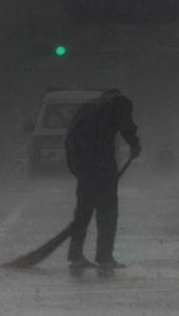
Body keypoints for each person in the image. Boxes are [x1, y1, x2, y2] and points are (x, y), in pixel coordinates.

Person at [65, 88, 141, 269]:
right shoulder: (119, 101)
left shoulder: (89, 106)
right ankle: (105, 257)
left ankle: (76, 256)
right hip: (102, 162)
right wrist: (134, 145)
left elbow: (70, 135)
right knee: (107, 210)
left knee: (83, 210)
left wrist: (77, 167)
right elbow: (126, 126)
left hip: (82, 162)